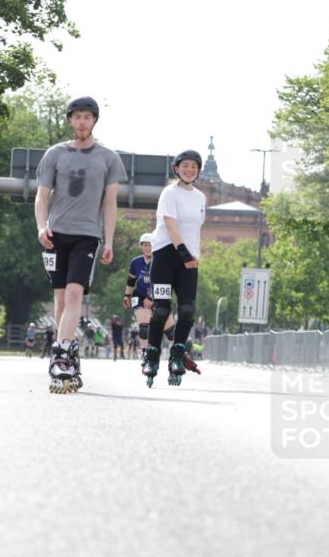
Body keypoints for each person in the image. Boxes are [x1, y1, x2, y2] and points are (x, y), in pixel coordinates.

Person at [35, 96, 127, 391]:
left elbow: (110, 203)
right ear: (70, 120)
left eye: (87, 117)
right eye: (77, 117)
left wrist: (109, 240)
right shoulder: (55, 154)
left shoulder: (108, 158)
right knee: (61, 298)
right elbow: (42, 196)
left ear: (94, 121)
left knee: (75, 294)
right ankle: (69, 351)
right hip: (55, 235)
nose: (82, 121)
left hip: (87, 235)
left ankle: (60, 354)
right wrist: (41, 227)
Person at [142, 150, 206, 385]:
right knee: (161, 310)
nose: (189, 170)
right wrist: (184, 254)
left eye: (194, 166)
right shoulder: (169, 193)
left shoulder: (200, 197)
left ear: (198, 171)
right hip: (165, 256)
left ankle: (177, 356)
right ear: (177, 169)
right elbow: (171, 226)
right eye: (185, 165)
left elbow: (194, 230)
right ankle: (151, 357)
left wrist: (193, 255)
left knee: (187, 309)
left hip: (189, 259)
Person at [122, 232, 175, 361]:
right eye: (145, 245)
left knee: (170, 331)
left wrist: (151, 297)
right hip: (140, 295)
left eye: (150, 245)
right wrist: (127, 295)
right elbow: (131, 280)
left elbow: (166, 282)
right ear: (141, 246)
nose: (148, 248)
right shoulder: (136, 262)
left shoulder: (161, 260)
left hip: (158, 294)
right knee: (143, 327)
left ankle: (175, 353)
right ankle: (145, 353)